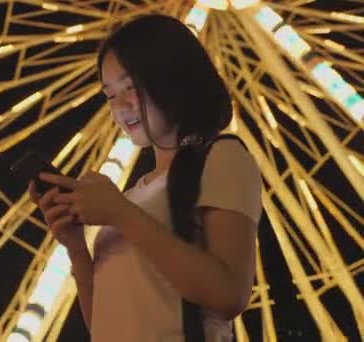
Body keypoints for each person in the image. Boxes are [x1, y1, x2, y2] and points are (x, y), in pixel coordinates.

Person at [27, 14, 262, 342]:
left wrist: (122, 215)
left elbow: (229, 294)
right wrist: (77, 249)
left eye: (131, 87)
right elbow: (108, 328)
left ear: (173, 78)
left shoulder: (223, 158)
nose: (121, 106)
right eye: (109, 94)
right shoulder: (132, 196)